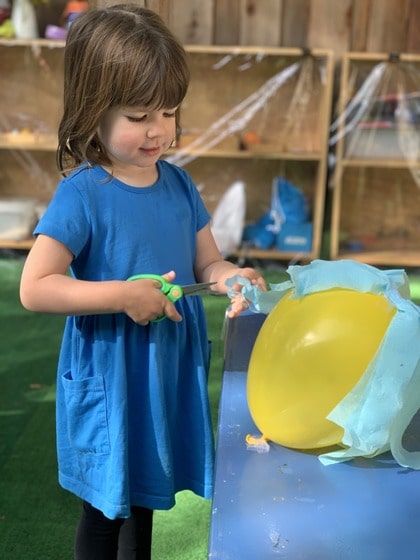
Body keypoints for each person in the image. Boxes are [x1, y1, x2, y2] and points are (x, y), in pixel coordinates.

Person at [19, 4, 266, 559]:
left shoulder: (179, 187)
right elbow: (35, 286)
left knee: (149, 501)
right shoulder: (82, 194)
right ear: (93, 111)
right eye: (138, 116)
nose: (158, 130)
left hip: (164, 373)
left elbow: (208, 263)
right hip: (110, 376)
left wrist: (229, 278)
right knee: (107, 509)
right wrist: (121, 296)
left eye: (169, 112)